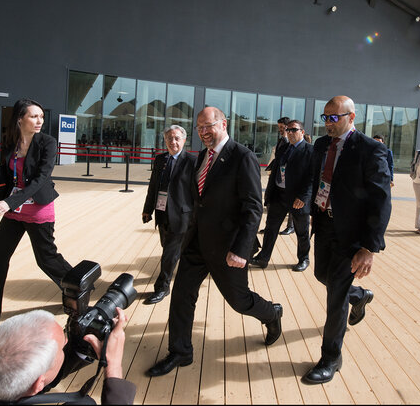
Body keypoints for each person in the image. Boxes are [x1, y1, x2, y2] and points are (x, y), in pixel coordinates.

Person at [146, 107, 283, 378]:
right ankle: (180, 351)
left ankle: (271, 313)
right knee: (182, 295)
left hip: (228, 247)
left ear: (224, 124)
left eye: (208, 126)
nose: (204, 132)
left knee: (239, 301)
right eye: (199, 128)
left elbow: (254, 207)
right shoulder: (202, 157)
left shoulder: (242, 157)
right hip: (196, 243)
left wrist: (242, 249)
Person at [0, 98, 74, 333]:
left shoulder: (48, 143)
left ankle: (80, 288)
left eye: (41, 116)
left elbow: (41, 179)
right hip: (14, 210)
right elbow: (4, 177)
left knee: (47, 260)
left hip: (38, 208)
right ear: (20, 118)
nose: (39, 120)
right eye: (34, 116)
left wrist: (9, 203)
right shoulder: (10, 142)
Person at [303, 96, 391, 384]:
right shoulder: (320, 146)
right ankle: (360, 295)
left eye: (334, 117)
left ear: (351, 117)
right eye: (325, 117)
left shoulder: (371, 150)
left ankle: (331, 357)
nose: (328, 122)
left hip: (351, 235)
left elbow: (381, 200)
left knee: (336, 295)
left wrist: (369, 247)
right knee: (321, 275)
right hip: (325, 227)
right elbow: (317, 182)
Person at [0, 308, 135, 404]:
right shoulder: (33, 383)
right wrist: (113, 365)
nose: (67, 341)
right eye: (64, 345)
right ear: (37, 386)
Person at [141, 125, 197, 304]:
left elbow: (197, 192)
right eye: (170, 138)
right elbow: (154, 187)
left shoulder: (192, 161)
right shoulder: (160, 160)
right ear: (165, 141)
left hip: (182, 216)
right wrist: (147, 209)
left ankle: (162, 287)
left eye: (177, 138)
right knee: (168, 248)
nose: (173, 142)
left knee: (169, 253)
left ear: (184, 140)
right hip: (162, 212)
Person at [251, 120, 313, 271]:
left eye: (294, 130)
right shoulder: (284, 147)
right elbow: (276, 169)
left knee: (302, 231)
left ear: (302, 132)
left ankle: (303, 259)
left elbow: (312, 177)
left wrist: (303, 197)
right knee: (271, 228)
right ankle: (263, 258)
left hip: (297, 199)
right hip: (279, 195)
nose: (290, 132)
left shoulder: (310, 151)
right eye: (288, 130)